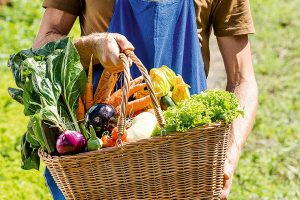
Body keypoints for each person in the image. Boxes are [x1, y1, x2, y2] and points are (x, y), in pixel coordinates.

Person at [33, 0, 258, 199]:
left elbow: (242, 79)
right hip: (102, 157)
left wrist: (228, 157)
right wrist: (92, 45)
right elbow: (42, 45)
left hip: (186, 156)